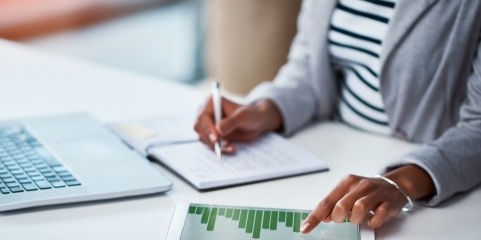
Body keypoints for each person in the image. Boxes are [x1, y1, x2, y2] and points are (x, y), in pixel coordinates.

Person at [194, 0, 481, 234]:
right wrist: (265, 109)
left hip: (435, 181)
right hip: (331, 153)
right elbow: (309, 66)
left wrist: (403, 182)